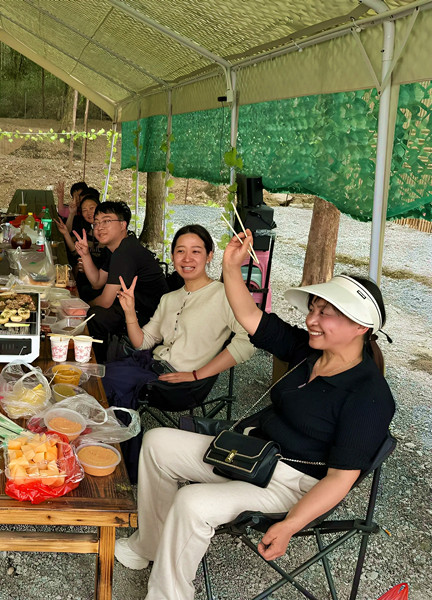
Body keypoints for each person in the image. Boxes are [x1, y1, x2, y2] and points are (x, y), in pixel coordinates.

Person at [114, 229, 395, 600]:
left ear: (360, 327)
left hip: (292, 486)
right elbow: (250, 317)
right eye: (313, 308)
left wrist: (292, 524)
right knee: (156, 441)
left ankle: (168, 595)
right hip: (252, 454)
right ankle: (150, 542)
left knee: (192, 502)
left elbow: (340, 480)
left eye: (325, 313)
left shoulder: (369, 395)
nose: (312, 318)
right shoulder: (306, 351)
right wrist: (231, 267)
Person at [102, 224, 255, 479]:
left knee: (108, 382)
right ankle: (105, 451)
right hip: (151, 366)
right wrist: (129, 311)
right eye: (180, 251)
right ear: (172, 256)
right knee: (97, 375)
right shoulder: (170, 298)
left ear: (209, 256)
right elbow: (144, 342)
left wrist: (197, 375)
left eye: (196, 251)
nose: (187, 259)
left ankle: (121, 467)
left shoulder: (225, 295)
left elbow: (248, 342)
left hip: (182, 385)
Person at [74, 200, 169, 360]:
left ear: (123, 225)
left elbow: (105, 302)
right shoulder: (116, 249)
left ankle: (99, 362)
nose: (99, 227)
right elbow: (97, 281)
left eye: (107, 221)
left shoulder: (125, 252)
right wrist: (85, 255)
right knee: (86, 295)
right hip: (131, 306)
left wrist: (81, 307)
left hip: (149, 316)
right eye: (96, 223)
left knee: (95, 315)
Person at [55, 189, 102, 300]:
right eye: (84, 210)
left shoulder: (105, 234)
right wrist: (66, 233)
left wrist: (89, 266)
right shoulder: (89, 231)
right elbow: (77, 252)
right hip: (86, 279)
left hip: (98, 283)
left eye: (92, 208)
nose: (88, 212)